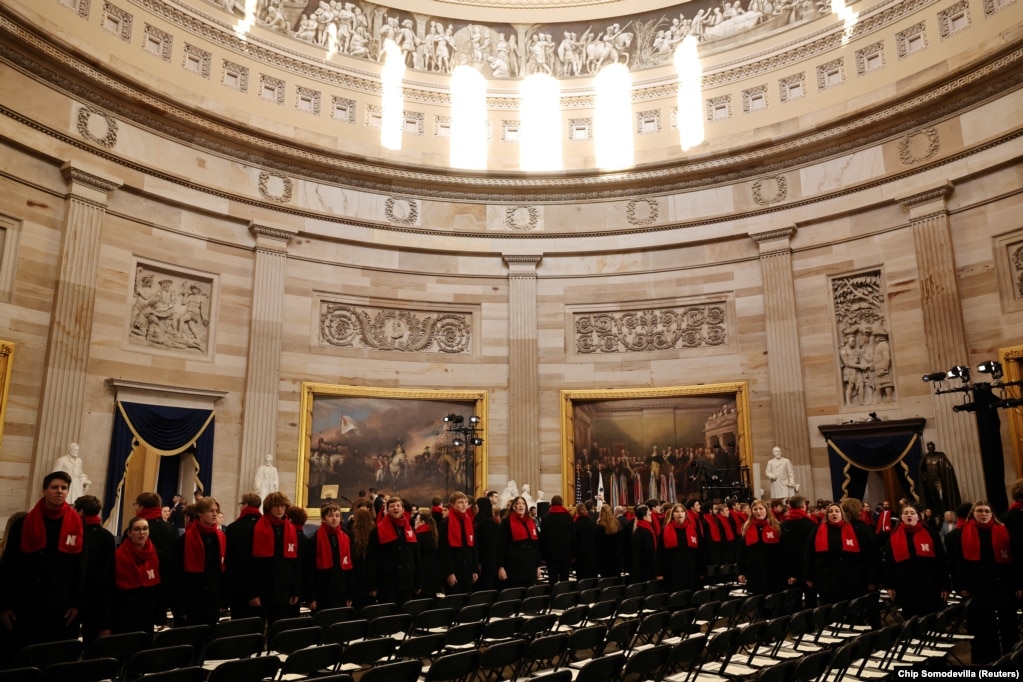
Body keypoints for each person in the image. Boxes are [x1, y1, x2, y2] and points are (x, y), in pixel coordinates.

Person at [0, 471, 85, 656]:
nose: (59, 491)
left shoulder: (77, 523)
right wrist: (4, 605)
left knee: (54, 659)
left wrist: (76, 603)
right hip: (26, 604)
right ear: (45, 490)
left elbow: (80, 566)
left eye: (64, 488)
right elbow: (9, 565)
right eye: (55, 487)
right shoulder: (23, 522)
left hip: (60, 607)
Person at [946, 501, 1020, 664]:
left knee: (1008, 622)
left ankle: (1011, 657)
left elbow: (1015, 559)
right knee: (983, 624)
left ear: (992, 513)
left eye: (987, 511)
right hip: (977, 585)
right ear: (973, 514)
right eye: (980, 511)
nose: (984, 514)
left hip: (1003, 584)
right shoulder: (962, 533)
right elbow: (957, 563)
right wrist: (961, 585)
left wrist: (1018, 584)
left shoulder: (1003, 530)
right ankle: (987, 658)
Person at [804, 502, 882, 606]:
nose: (834, 513)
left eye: (837, 511)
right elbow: (809, 555)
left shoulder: (855, 531)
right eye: (830, 511)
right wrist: (809, 577)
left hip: (852, 579)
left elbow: (868, 556)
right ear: (827, 515)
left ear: (842, 514)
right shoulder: (817, 531)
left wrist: (871, 579)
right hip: (827, 580)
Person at [101, 516, 163, 636]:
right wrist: (105, 623)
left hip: (147, 617)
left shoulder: (157, 555)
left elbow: (159, 589)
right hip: (123, 616)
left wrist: (160, 616)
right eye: (137, 529)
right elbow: (106, 591)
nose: (142, 532)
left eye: (145, 529)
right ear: (129, 533)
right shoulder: (116, 557)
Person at [883, 502, 947, 618]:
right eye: (905, 513)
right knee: (911, 620)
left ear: (918, 516)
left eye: (912, 513)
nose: (909, 515)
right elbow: (889, 563)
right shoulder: (893, 536)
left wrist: (944, 585)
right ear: (901, 517)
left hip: (929, 584)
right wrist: (889, 585)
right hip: (905, 585)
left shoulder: (931, 534)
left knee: (930, 618)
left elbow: (941, 561)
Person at [249, 492, 301, 626]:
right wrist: (253, 593)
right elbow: (252, 564)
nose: (279, 509)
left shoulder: (290, 529)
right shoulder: (257, 528)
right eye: (276, 506)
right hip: (263, 588)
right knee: (257, 628)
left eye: (282, 506)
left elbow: (294, 562)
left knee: (279, 628)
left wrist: (295, 590)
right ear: (269, 508)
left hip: (283, 588)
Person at [172, 497, 226, 627]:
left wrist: (224, 601)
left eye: (216, 511)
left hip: (212, 600)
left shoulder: (221, 537)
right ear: (200, 513)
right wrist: (180, 608)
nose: (215, 514)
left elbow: (224, 571)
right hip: (192, 600)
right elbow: (176, 576)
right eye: (210, 511)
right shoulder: (184, 540)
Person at [74, 495, 115, 644]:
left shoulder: (76, 533)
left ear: (80, 512)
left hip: (76, 595)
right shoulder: (107, 536)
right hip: (99, 596)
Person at [369, 496, 422, 605]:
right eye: (392, 506)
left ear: (403, 509)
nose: (395, 508)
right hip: (387, 582)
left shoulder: (409, 528)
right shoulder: (377, 530)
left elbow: (416, 556)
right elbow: (372, 558)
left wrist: (419, 581)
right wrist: (372, 585)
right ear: (387, 510)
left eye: (398, 506)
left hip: (407, 581)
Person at [305, 501, 353, 612]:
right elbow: (309, 571)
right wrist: (310, 597)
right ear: (323, 518)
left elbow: (350, 568)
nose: (334, 519)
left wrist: (350, 594)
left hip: (341, 590)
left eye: (337, 515)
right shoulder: (314, 540)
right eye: (330, 516)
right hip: (322, 591)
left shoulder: (346, 538)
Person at [737, 500, 786, 596]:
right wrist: (740, 572)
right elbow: (741, 553)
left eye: (761, 509)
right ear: (752, 511)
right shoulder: (747, 528)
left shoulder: (777, 527)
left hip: (774, 570)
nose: (758, 512)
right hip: (755, 572)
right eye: (755, 509)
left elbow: (784, 550)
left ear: (766, 510)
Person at [225, 492, 262, 620]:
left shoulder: (233, 528)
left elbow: (228, 560)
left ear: (245, 505)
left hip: (238, 586)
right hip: (261, 586)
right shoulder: (265, 526)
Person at [496, 495, 541, 588]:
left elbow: (536, 545)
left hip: (530, 566)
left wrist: (538, 566)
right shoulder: (507, 522)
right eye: (518, 503)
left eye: (523, 503)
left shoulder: (531, 522)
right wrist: (500, 567)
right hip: (514, 567)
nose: (521, 505)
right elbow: (500, 546)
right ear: (514, 507)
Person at [780, 495, 818, 608]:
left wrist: (789, 573)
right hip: (808, 569)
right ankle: (811, 624)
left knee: (794, 603)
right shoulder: (812, 525)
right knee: (811, 601)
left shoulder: (784, 525)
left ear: (789, 507)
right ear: (803, 506)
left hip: (790, 569)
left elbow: (783, 550)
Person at [439, 492, 478, 594]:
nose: (464, 505)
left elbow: (473, 547)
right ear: (452, 504)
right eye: (460, 502)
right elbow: (444, 550)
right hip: (455, 569)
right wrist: (449, 572)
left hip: (467, 570)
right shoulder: (446, 522)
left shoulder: (469, 521)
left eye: (465, 502)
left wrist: (474, 569)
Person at [659, 503, 703, 591]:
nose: (680, 513)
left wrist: (701, 570)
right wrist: (659, 573)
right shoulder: (665, 530)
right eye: (677, 512)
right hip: (673, 571)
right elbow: (660, 553)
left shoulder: (694, 530)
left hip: (691, 570)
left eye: (682, 511)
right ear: (672, 514)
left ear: (685, 514)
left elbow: (700, 552)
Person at [917, 442, 962, 518]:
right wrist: (924, 476)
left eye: (932, 447)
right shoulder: (925, 458)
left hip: (938, 481)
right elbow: (921, 469)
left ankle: (945, 515)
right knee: (933, 499)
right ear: (928, 448)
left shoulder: (940, 456)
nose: (931, 448)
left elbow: (947, 466)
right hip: (929, 481)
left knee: (942, 498)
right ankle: (938, 516)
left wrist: (949, 468)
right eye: (929, 447)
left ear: (934, 447)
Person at [539, 495, 574, 584]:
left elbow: (542, 538)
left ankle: (553, 596)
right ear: (561, 503)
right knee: (564, 579)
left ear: (551, 503)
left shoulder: (545, 518)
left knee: (552, 579)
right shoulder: (568, 517)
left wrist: (542, 556)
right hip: (565, 553)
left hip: (551, 555)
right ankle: (564, 596)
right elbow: (573, 537)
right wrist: (573, 554)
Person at [415, 510, 443, 596]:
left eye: (417, 519)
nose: (415, 521)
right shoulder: (435, 534)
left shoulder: (418, 536)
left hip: (423, 573)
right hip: (435, 573)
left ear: (422, 522)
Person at [474, 495, 499, 591]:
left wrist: (480, 562)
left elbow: (486, 545)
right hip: (482, 558)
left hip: (486, 561)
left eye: (478, 505)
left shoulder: (488, 522)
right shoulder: (479, 519)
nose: (476, 507)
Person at [595, 503, 624, 579]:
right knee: (616, 580)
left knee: (606, 580)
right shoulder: (617, 523)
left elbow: (597, 543)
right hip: (616, 556)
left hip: (604, 557)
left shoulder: (600, 526)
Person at [572, 503, 599, 581]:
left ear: (577, 512)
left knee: (582, 581)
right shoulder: (593, 523)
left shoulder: (575, 525)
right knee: (593, 580)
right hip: (593, 556)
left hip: (580, 557)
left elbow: (574, 542)